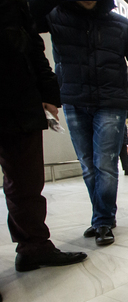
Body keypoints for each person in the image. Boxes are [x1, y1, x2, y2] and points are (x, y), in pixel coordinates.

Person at [29, 0, 128, 246]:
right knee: (88, 165)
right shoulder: (56, 16)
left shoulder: (121, 25)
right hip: (73, 100)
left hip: (111, 102)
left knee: (105, 163)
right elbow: (26, 23)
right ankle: (102, 217)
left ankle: (102, 220)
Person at [0, 0, 87, 274]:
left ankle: (34, 248)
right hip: (17, 94)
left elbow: (33, 45)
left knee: (26, 182)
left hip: (18, 96)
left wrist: (48, 93)